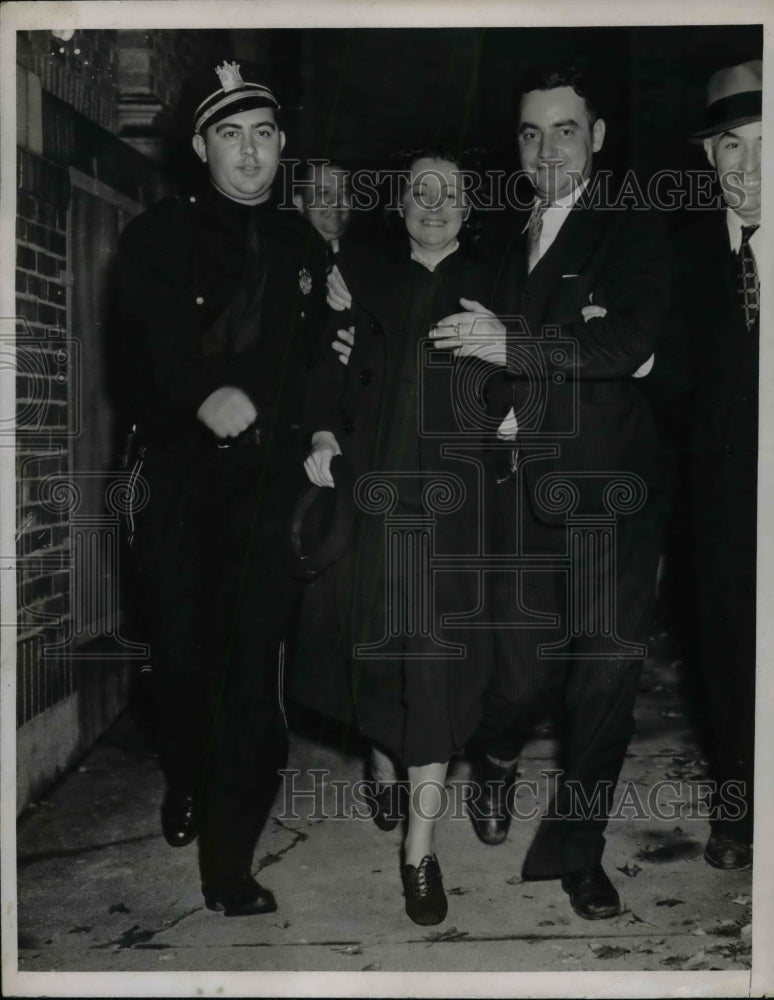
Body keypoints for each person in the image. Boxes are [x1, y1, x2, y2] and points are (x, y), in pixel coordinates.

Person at [430, 64, 669, 919]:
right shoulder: (504, 238)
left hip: (609, 498)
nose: (546, 149)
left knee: (603, 679)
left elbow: (630, 347)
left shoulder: (634, 226)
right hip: (518, 492)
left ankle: (581, 851)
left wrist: (517, 343)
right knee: (524, 680)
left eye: (565, 129)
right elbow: (461, 343)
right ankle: (494, 756)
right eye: (531, 133)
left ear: (597, 137)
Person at [117, 62, 327, 916]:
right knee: (180, 659)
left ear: (282, 145)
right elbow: (139, 355)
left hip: (266, 491)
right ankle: (185, 772)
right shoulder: (155, 239)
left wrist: (320, 428)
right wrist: (202, 392)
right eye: (231, 135)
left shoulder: (306, 248)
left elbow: (323, 362)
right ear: (201, 145)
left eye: (264, 134)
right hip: (178, 483)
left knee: (250, 675)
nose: (250, 154)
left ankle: (229, 865)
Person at [303, 149, 499, 925]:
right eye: (419, 190)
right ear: (400, 205)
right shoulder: (363, 281)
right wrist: (320, 434)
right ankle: (380, 756)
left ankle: (419, 851)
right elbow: (325, 372)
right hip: (373, 505)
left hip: (457, 514)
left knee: (438, 675)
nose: (431, 203)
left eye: (448, 191)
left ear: (469, 207)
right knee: (374, 659)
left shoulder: (500, 288)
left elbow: (530, 379)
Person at [676, 60, 761, 870]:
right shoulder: (689, 258)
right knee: (730, 654)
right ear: (710, 159)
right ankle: (739, 808)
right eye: (733, 146)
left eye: (769, 145)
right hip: (726, 507)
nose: (751, 168)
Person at [293, 159, 352, 257]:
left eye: (343, 192)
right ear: (300, 203)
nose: (336, 202)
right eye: (324, 193)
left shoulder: (372, 259)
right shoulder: (284, 260)